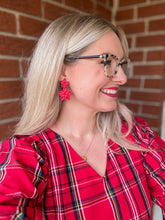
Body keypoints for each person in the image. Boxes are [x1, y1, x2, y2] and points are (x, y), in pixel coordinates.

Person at [0, 14, 164, 220]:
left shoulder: (134, 134)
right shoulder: (28, 156)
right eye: (108, 61)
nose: (122, 77)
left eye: (121, 63)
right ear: (62, 71)